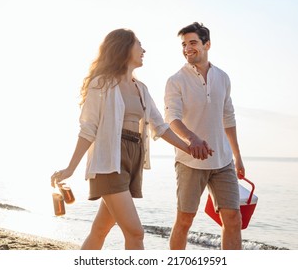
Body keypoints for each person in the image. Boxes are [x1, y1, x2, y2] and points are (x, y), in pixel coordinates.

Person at [50, 28, 203, 250]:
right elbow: (88, 129)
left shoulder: (141, 88)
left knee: (100, 230)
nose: (144, 50)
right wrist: (70, 168)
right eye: (139, 44)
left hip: (133, 159)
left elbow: (160, 126)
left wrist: (190, 148)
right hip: (109, 162)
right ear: (124, 48)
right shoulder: (102, 84)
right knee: (136, 233)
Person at [164, 22, 245, 250]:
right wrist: (193, 139)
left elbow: (228, 118)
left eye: (193, 43)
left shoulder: (223, 78)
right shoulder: (175, 80)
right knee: (185, 220)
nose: (187, 48)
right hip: (190, 161)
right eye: (184, 44)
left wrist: (237, 156)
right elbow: (172, 119)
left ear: (207, 44)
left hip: (223, 161)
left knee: (233, 219)